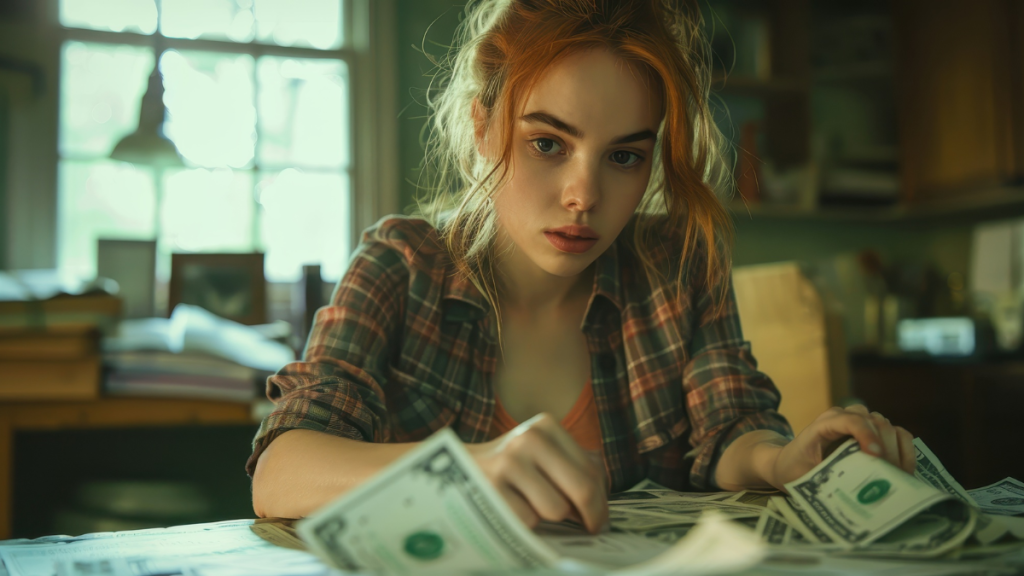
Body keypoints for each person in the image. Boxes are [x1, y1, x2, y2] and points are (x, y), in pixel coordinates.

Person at [248, 0, 915, 534]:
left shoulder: (678, 263)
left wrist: (781, 459)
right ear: (483, 128)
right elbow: (281, 469)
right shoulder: (399, 265)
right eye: (547, 143)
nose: (584, 195)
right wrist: (470, 469)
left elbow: (730, 427)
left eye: (623, 156)